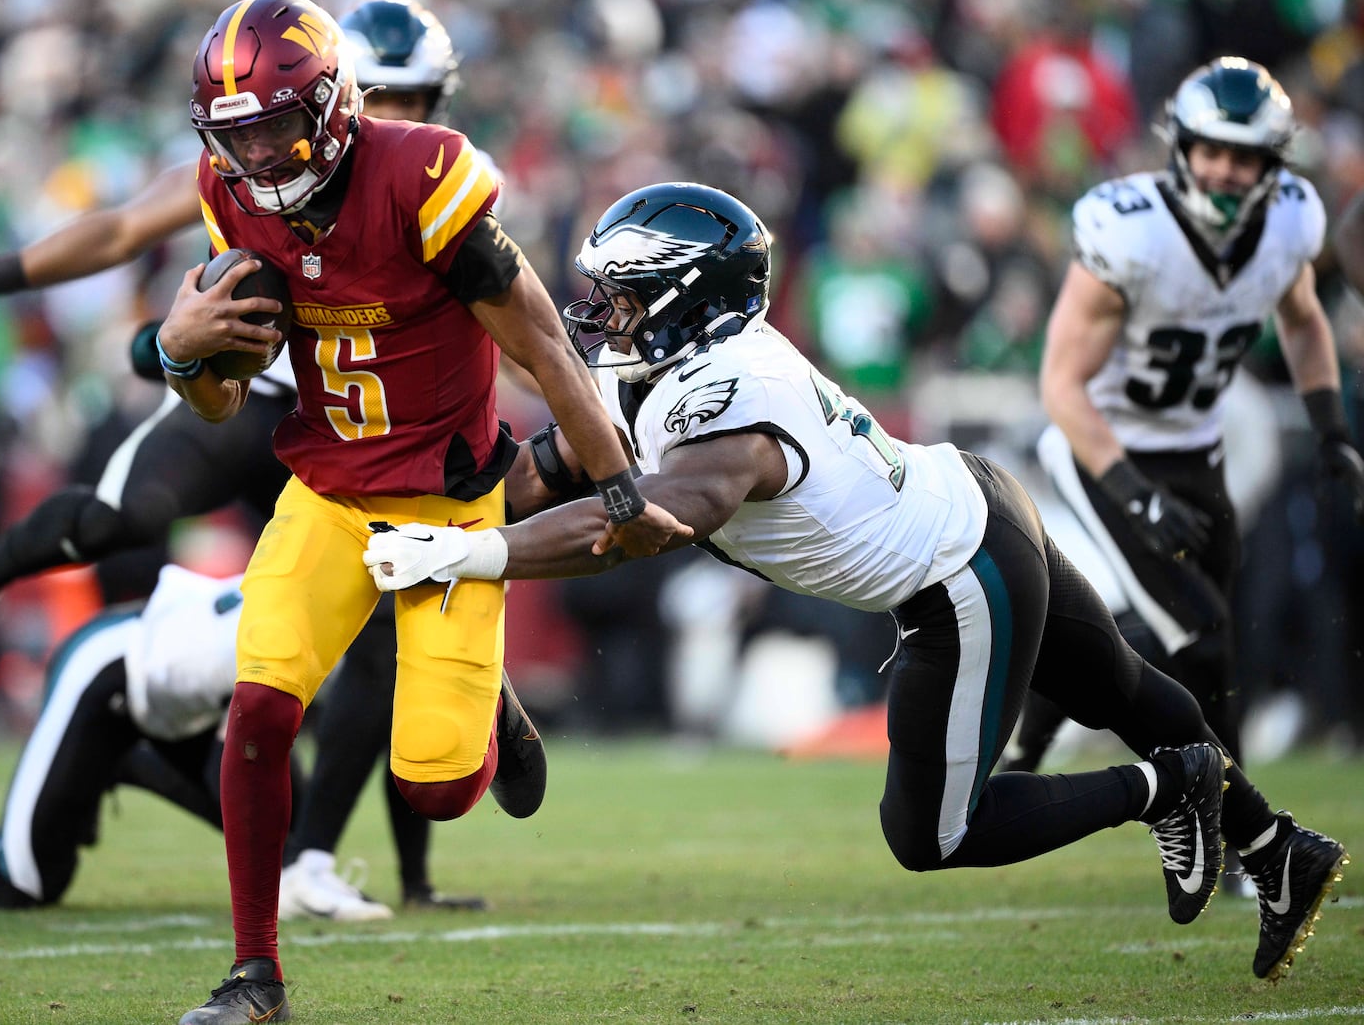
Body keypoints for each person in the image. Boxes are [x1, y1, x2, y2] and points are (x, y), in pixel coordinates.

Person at [362, 181, 1350, 987]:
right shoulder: (676, 366)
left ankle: (1163, 786)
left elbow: (641, 523)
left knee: (929, 830)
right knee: (1122, 687)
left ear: (686, 298)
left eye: (624, 295)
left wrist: (466, 554)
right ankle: (1279, 849)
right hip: (973, 498)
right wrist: (448, 509)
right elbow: (562, 462)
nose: (603, 314)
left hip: (955, 573)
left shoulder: (731, 401)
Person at [0, 0, 490, 920]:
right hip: (274, 395)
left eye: (418, 96)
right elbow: (123, 229)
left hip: (381, 425)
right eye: (382, 91)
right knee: (127, 510)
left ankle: (324, 859)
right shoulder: (251, 159)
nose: (399, 114)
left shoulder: (434, 177)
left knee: (398, 621)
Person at [158, 0, 687, 1025]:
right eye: (238, 134)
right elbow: (221, 398)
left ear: (332, 102)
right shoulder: (233, 203)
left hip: (446, 507)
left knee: (436, 786)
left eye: (274, 123)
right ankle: (254, 976)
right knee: (261, 707)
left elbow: (542, 343)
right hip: (325, 492)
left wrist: (620, 488)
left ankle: (487, 701)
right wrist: (182, 350)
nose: (259, 152)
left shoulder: (422, 176)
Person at [1010, 58, 1364, 894]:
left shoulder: (1287, 225)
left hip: (1197, 452)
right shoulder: (1128, 229)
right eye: (1212, 151)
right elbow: (1061, 385)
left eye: (1246, 158)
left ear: (1273, 165)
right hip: (1103, 448)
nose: (1227, 172)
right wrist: (1132, 488)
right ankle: (1252, 842)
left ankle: (1045, 704)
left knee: (1205, 638)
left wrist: (1330, 430)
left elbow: (1305, 319)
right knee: (1201, 639)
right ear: (1182, 146)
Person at [0, 566, 317, 909]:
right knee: (21, 882)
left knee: (287, 826)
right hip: (110, 666)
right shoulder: (292, 626)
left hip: (185, 699)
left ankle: (125, 761)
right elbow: (244, 757)